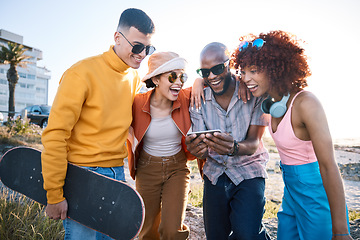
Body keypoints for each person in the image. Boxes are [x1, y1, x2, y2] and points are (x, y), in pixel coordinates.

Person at [41, 8, 155, 240]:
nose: (142, 54)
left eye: (148, 48)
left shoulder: (132, 77)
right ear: (117, 38)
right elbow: (55, 135)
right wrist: (54, 195)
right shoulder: (80, 74)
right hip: (83, 176)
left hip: (117, 175)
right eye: (137, 46)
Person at [233, 30, 352, 240]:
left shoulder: (306, 103)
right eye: (243, 71)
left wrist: (341, 230)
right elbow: (219, 81)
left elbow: (328, 166)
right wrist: (198, 83)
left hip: (316, 193)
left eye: (254, 70)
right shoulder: (269, 101)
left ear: (275, 68)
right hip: (290, 194)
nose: (246, 78)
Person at [185, 42, 271, 240]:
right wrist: (197, 149)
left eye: (217, 69)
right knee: (216, 236)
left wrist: (233, 148)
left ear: (229, 64)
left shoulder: (253, 92)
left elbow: (253, 143)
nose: (212, 76)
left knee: (246, 234)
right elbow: (200, 147)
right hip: (215, 173)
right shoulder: (199, 98)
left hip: (249, 170)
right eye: (205, 72)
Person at [126, 51, 196, 239]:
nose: (179, 82)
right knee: (147, 230)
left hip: (178, 168)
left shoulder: (185, 97)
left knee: (172, 231)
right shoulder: (136, 103)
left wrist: (197, 82)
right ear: (156, 79)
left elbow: (205, 83)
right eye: (173, 76)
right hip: (147, 169)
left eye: (183, 76)